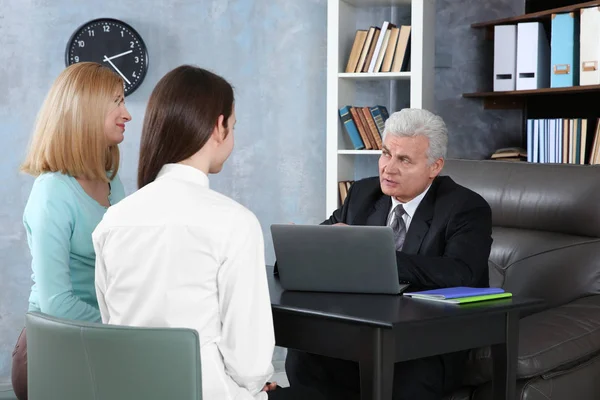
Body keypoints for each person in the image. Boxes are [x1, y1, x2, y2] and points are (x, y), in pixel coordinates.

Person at [92, 65, 323, 400]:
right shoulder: (234, 222)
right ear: (219, 126)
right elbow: (250, 365)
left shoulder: (113, 220)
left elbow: (111, 324)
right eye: (234, 125)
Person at [283, 108, 493, 400]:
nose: (387, 168)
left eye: (404, 159)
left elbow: (462, 272)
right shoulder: (363, 194)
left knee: (401, 377)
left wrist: (370, 254)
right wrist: (299, 250)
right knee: (306, 355)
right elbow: (325, 240)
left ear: (435, 167)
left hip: (428, 341)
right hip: (367, 330)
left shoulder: (466, 208)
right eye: (385, 153)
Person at [11, 62, 131, 400]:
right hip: (52, 349)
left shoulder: (109, 177)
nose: (127, 114)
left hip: (102, 339)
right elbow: (56, 303)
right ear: (87, 110)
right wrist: (129, 328)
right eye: (117, 102)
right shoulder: (52, 193)